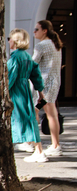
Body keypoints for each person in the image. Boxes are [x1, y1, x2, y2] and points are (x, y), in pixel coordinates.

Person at [7, 29, 47, 163]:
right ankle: (35, 147)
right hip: (24, 89)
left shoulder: (16, 57)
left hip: (16, 90)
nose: (9, 41)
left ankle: (37, 150)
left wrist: (4, 92)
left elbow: (9, 78)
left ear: (16, 41)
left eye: (10, 38)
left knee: (21, 117)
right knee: (29, 117)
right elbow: (36, 75)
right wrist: (40, 91)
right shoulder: (26, 56)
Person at [32, 20, 63, 156]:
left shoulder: (42, 46)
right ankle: (55, 145)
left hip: (44, 86)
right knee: (51, 114)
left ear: (45, 31)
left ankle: (34, 145)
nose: (34, 32)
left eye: (37, 29)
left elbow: (33, 64)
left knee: (35, 112)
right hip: (54, 83)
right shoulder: (55, 44)